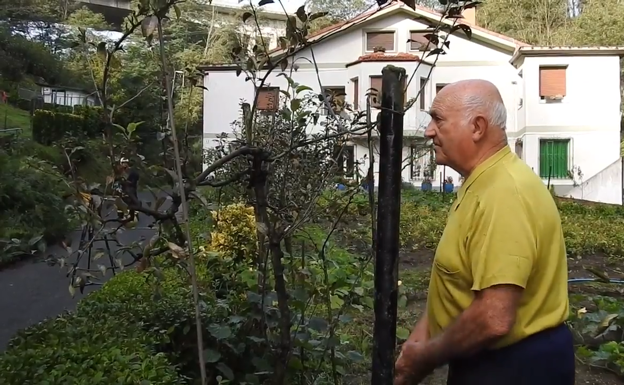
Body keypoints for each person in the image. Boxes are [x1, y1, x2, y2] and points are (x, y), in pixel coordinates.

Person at [394, 79, 573, 385]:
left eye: (438, 120)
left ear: (477, 127)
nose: (428, 131)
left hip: (514, 369)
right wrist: (417, 345)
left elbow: (494, 317)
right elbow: (454, 282)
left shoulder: (505, 194)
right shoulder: (482, 183)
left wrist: (426, 358)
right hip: (492, 361)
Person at [113, 157, 140, 221]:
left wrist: (126, 182)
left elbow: (135, 180)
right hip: (122, 189)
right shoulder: (119, 172)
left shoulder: (132, 172)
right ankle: (121, 215)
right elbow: (116, 181)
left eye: (126, 163)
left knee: (132, 201)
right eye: (123, 163)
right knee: (120, 202)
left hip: (131, 189)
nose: (124, 164)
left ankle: (135, 215)